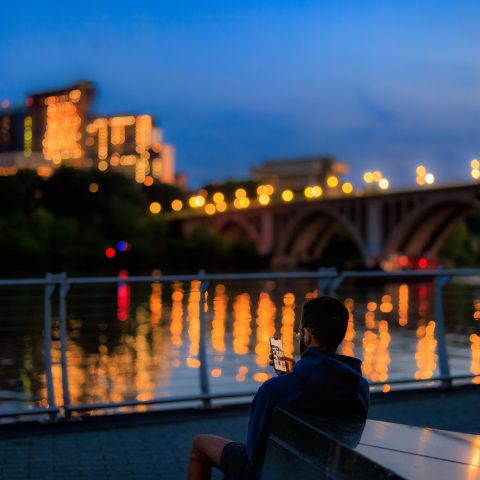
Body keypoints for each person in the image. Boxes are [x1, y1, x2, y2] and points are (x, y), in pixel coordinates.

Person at [187, 295, 369, 480]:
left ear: (307, 334)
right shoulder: (360, 388)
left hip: (276, 471)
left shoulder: (274, 390)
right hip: (324, 471)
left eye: (300, 332)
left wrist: (289, 380)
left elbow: (254, 452)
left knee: (200, 444)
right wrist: (294, 374)